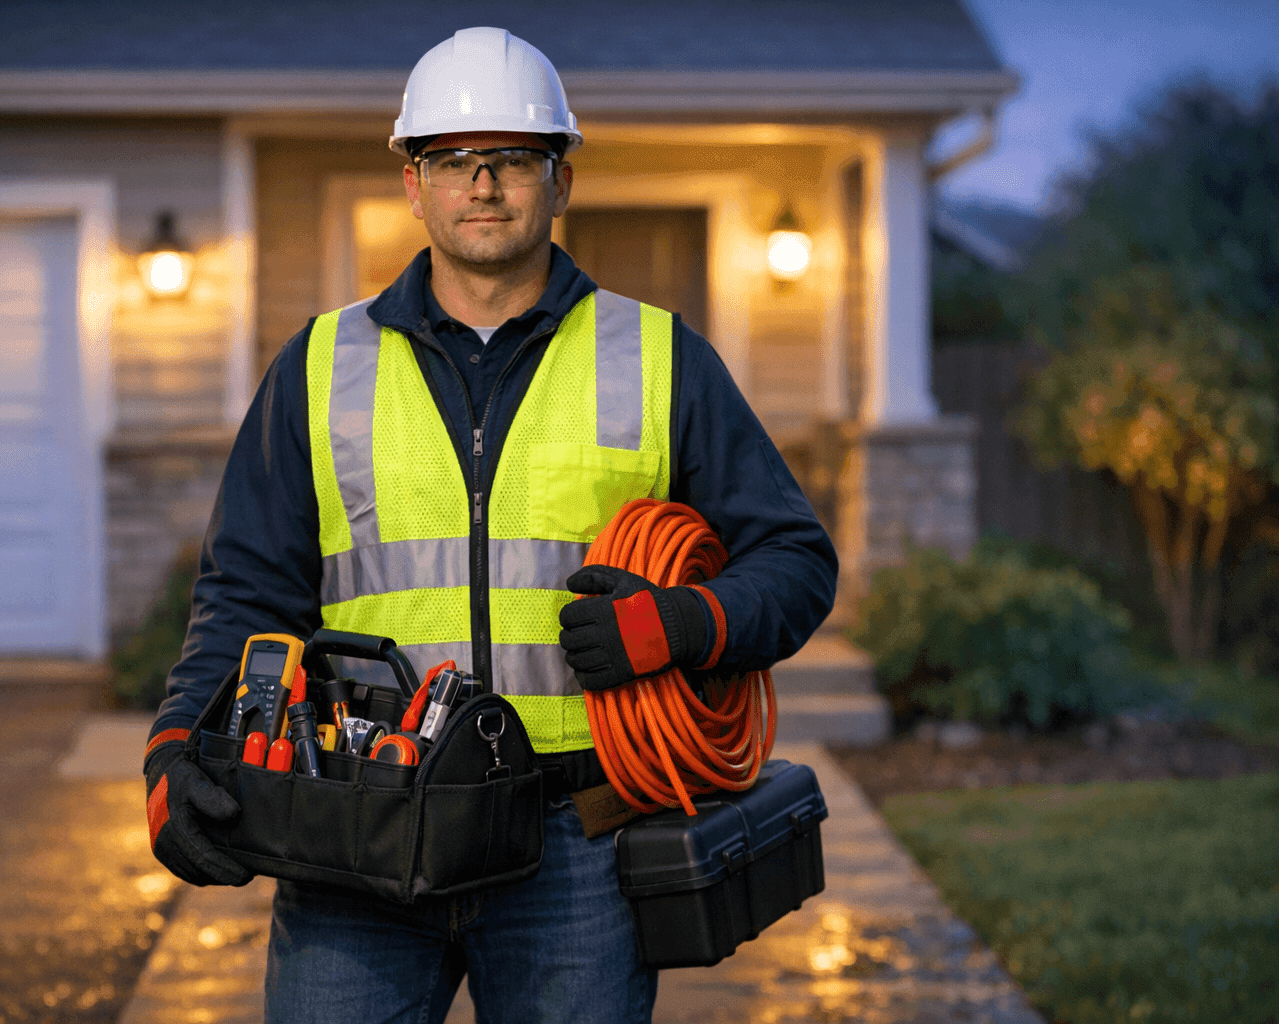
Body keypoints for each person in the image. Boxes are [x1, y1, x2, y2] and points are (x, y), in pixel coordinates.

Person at [142, 26, 837, 1024]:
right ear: (413, 185)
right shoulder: (319, 365)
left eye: (514, 158)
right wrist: (176, 747)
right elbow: (247, 594)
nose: (485, 185)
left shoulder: (658, 356)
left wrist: (679, 624)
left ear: (561, 181)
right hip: (356, 835)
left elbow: (797, 559)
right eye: (454, 161)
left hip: (576, 846)